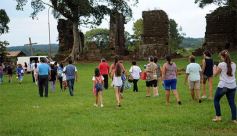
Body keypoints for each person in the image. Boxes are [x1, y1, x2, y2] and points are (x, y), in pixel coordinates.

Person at [212, 50, 236, 123]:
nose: (220, 58)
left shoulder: (221, 64)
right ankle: (234, 119)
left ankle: (218, 117)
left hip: (223, 86)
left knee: (216, 100)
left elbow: (215, 74)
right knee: (232, 102)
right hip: (233, 86)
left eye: (221, 57)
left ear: (223, 57)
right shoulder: (234, 64)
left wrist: (214, 67)